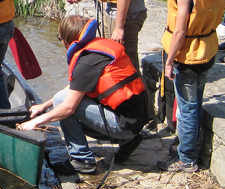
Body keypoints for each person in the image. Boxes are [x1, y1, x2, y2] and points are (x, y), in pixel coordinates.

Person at [17, 15, 148, 175]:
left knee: (63, 103)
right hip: (134, 119)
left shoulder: (86, 62)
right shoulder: (97, 50)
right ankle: (128, 140)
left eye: (59, 38)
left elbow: (68, 106)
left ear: (67, 40)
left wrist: (35, 123)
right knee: (62, 99)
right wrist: (44, 106)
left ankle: (82, 160)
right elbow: (76, 86)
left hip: (124, 125)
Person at [158, 0, 225, 172]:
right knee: (196, 101)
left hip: (188, 56)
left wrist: (169, 62)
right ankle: (189, 146)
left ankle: (187, 158)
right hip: (208, 51)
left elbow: (179, 32)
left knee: (188, 107)